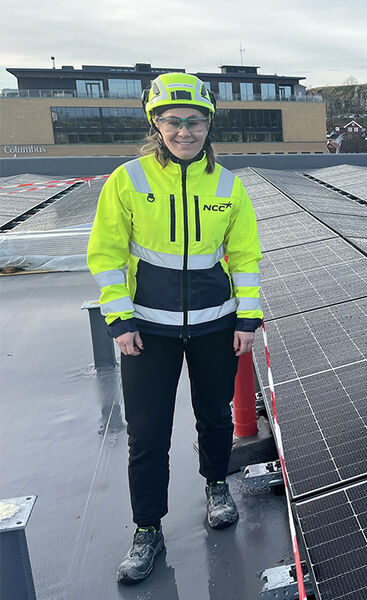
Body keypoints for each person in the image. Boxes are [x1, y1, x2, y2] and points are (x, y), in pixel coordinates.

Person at [87, 72, 263, 585]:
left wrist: (246, 317)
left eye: (194, 121)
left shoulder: (229, 185)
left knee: (215, 417)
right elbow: (107, 253)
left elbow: (246, 257)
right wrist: (118, 319)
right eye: (172, 121)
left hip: (215, 326)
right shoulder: (128, 180)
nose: (184, 130)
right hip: (147, 332)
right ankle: (147, 529)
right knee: (147, 434)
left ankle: (216, 486)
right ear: (156, 124)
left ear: (208, 124)